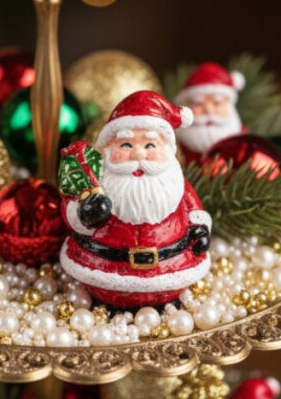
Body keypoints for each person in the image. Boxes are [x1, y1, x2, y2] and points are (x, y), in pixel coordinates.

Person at [58, 91, 212, 309]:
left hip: (171, 269)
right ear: (109, 149)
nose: (138, 155)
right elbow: (71, 207)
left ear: (167, 150)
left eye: (150, 145)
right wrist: (84, 214)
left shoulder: (175, 185)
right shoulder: (98, 183)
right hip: (103, 270)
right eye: (126, 145)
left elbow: (195, 210)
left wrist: (200, 229)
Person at [175, 62, 246, 163]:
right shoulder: (177, 141)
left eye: (217, 103)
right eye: (198, 103)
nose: (208, 110)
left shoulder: (240, 137)